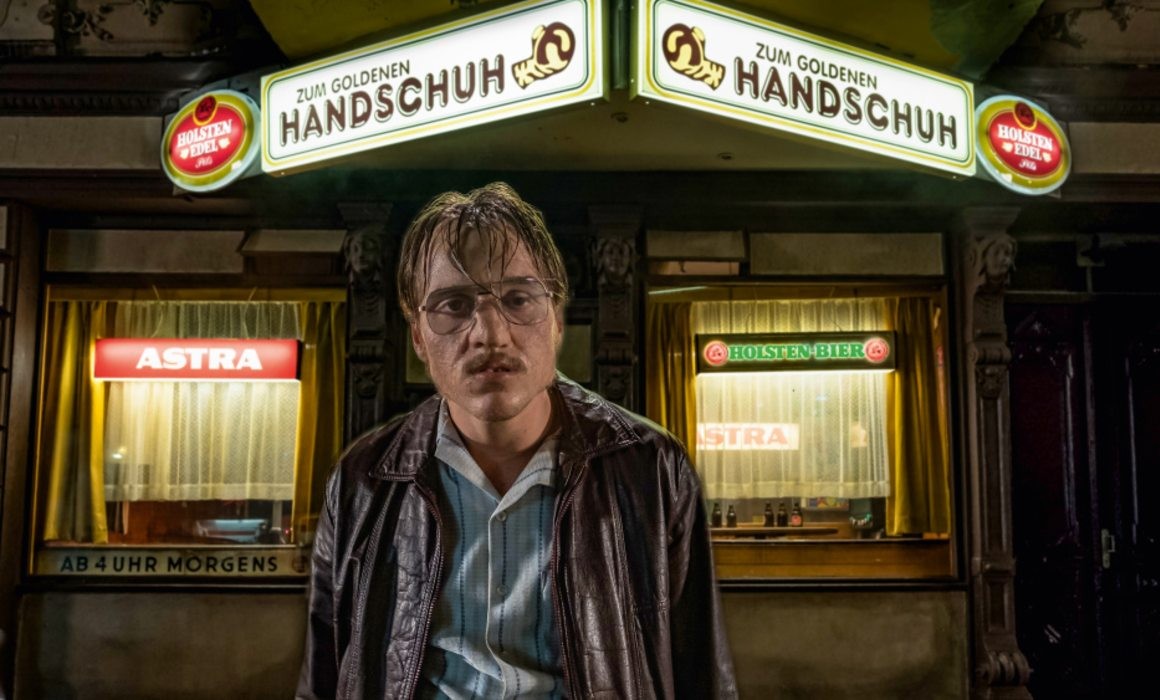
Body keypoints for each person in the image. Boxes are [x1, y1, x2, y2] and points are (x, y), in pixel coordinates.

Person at [297, 182, 737, 699]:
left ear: (556, 320)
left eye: (518, 299)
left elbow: (700, 674)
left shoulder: (650, 468)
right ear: (418, 337)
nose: (490, 333)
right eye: (453, 304)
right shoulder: (365, 478)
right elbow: (325, 676)